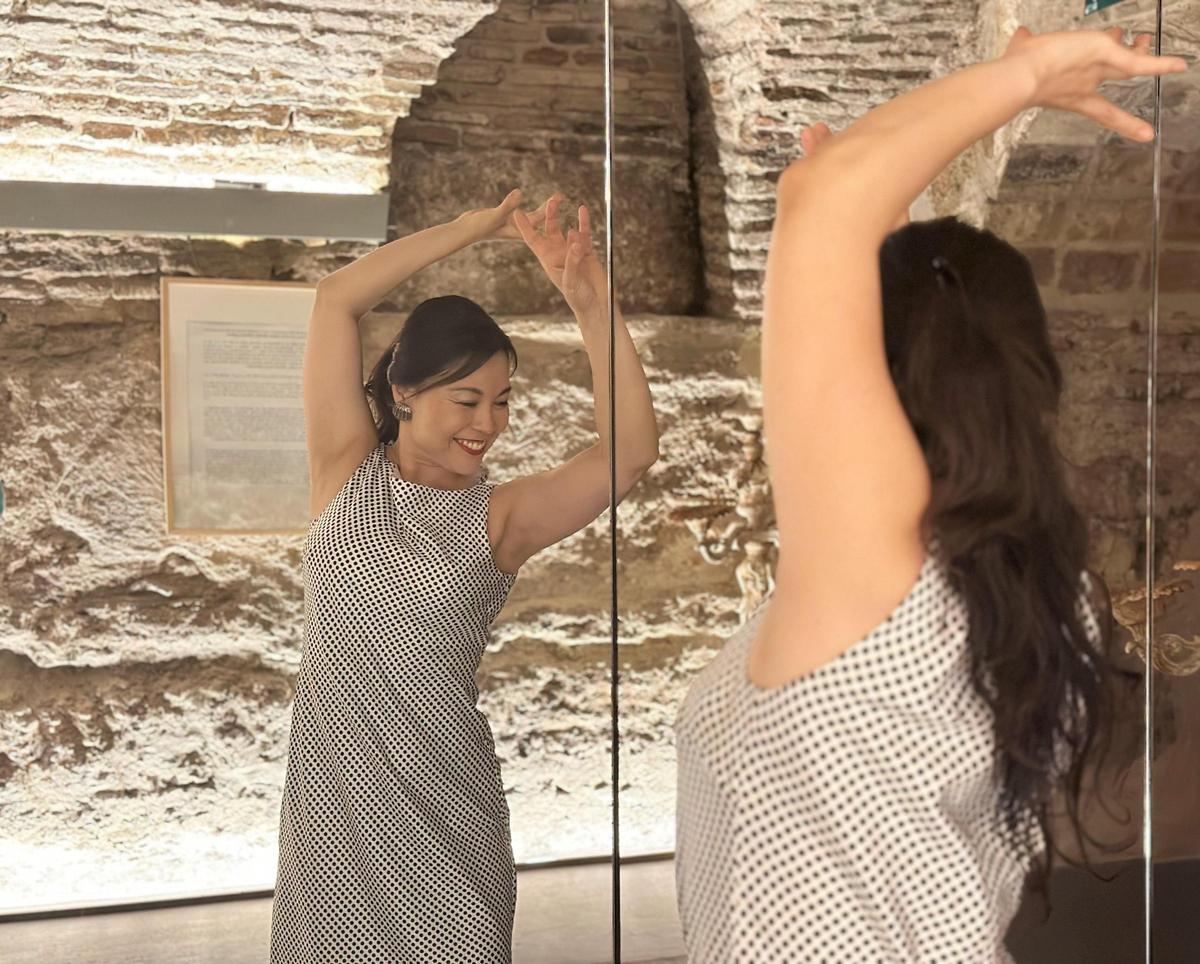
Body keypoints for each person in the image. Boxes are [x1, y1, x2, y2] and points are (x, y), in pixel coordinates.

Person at [673, 25, 1187, 962]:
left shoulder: (872, 567)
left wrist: (1022, 74)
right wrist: (880, 227)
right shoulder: (1016, 571)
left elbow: (818, 199)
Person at [269, 190, 659, 963]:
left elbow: (630, 452)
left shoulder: (500, 518)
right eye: (468, 399)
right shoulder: (345, 470)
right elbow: (335, 300)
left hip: (449, 811)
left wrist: (590, 302)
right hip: (332, 820)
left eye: (503, 401)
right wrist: (464, 230)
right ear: (406, 394)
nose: (489, 423)